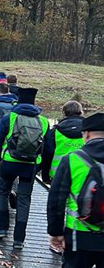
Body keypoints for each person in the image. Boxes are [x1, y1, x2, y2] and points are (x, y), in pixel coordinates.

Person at [0, 88, 49, 249]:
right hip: (29, 167)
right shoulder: (44, 122)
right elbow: (48, 149)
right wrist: (38, 168)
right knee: (24, 200)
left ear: (18, 101)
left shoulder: (10, 117)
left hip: (9, 163)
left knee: (2, 193)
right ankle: (19, 240)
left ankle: (2, 229)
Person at [47, 112, 104, 267]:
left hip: (78, 235)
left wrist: (55, 232)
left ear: (86, 134)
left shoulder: (72, 159)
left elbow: (56, 199)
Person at [41, 101, 86, 184]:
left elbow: (48, 153)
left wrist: (45, 176)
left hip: (59, 174)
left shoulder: (55, 131)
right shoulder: (90, 131)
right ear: (81, 112)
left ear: (64, 113)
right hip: (84, 173)